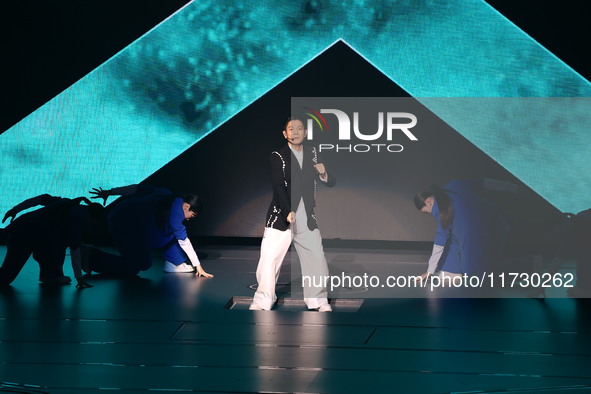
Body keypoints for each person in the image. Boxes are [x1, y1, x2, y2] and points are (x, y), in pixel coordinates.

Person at [250, 116, 335, 311]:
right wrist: (288, 211)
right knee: (270, 259)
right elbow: (278, 186)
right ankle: (263, 300)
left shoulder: (313, 153)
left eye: (299, 129)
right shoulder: (278, 156)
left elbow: (330, 182)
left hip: (307, 217)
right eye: (291, 129)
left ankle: (318, 300)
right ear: (284, 133)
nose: (295, 132)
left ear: (305, 133)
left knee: (316, 257)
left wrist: (324, 173)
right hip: (282, 215)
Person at [85, 184, 213, 278]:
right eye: (192, 215)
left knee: (169, 237)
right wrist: (198, 266)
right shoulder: (176, 215)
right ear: (186, 207)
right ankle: (89, 257)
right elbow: (184, 241)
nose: (190, 219)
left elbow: (135, 188)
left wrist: (110, 192)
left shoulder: (165, 192)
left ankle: (175, 262)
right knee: (136, 266)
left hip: (128, 215)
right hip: (124, 224)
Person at [414, 179, 509, 282]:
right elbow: (485, 183)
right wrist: (513, 188)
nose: (431, 214)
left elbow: (439, 244)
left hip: (481, 233)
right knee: (481, 263)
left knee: (477, 272)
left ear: (428, 202)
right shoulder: (454, 185)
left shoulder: (441, 212)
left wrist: (429, 271)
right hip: (496, 221)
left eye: (426, 212)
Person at [0, 194, 102, 288]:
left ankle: (51, 274)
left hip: (21, 228)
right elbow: (74, 247)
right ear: (93, 217)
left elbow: (39, 199)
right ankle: (51, 275)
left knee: (6, 274)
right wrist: (79, 277)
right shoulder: (80, 218)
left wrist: (15, 210)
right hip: (27, 237)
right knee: (4, 278)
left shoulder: (66, 202)